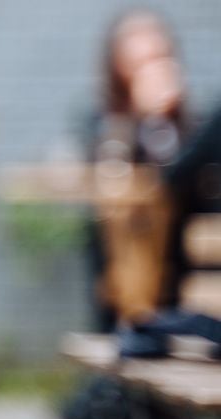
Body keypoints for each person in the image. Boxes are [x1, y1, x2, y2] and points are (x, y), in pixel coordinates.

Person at [80, 9, 190, 332]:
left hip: (174, 255)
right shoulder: (101, 119)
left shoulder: (188, 126)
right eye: (138, 60)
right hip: (114, 252)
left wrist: (161, 121)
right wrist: (140, 118)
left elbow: (182, 174)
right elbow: (105, 169)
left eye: (157, 58)